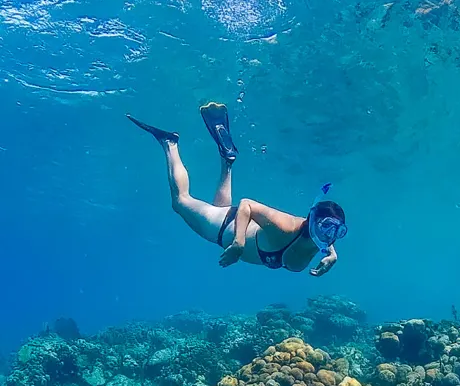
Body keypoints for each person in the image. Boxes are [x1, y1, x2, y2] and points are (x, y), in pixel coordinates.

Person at [127, 103, 347, 276]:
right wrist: (238, 244)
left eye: (337, 231)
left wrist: (332, 255)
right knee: (180, 201)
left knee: (219, 207)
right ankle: (170, 143)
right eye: (327, 227)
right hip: (222, 228)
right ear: (313, 218)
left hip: (231, 222)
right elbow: (246, 204)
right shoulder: (286, 228)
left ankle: (228, 160)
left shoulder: (324, 240)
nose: (330, 235)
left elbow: (324, 239)